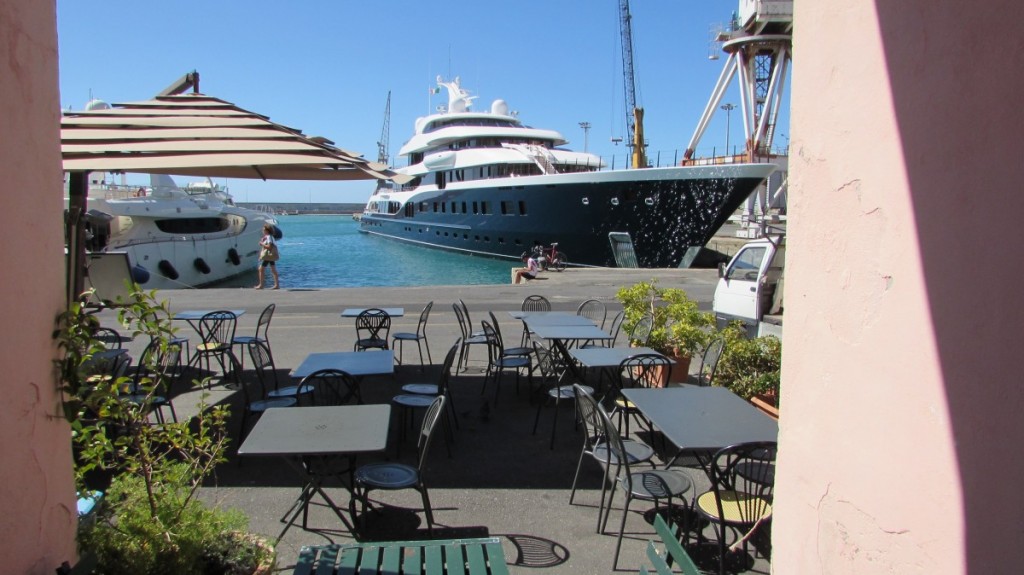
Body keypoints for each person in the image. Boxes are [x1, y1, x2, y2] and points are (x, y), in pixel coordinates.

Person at [255, 223, 280, 289]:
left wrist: (262, 244)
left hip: (268, 255)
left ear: (267, 230)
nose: (263, 231)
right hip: (269, 255)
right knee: (273, 269)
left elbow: (269, 247)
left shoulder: (269, 237)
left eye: (264, 230)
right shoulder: (268, 237)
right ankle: (277, 285)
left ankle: (261, 285)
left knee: (261, 269)